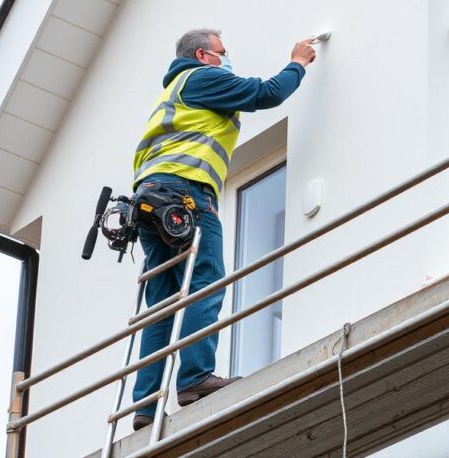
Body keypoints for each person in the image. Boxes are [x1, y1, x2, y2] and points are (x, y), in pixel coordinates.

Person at [130, 28, 316, 430]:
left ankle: (144, 406)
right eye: (222, 52)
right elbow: (266, 93)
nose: (226, 58)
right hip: (186, 194)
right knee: (206, 280)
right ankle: (196, 379)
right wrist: (297, 63)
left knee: (161, 303)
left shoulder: (172, 92)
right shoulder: (202, 78)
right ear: (203, 55)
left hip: (151, 200)